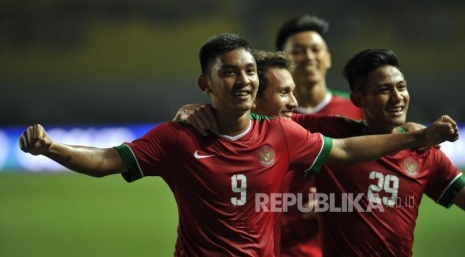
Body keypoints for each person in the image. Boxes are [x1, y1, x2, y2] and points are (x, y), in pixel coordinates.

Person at [19, 34, 459, 256]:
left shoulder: (284, 134)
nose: (243, 79)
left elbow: (344, 148)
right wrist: (51, 148)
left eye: (249, 71)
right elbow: (104, 160)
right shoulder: (179, 138)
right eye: (229, 72)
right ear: (205, 83)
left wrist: (419, 136)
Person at [175, 49, 464, 256]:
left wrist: (418, 137)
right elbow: (264, 111)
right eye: (384, 90)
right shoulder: (332, 132)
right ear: (358, 99)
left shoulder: (426, 152)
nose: (398, 97)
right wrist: (197, 108)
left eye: (401, 87)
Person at [276, 15, 362, 256]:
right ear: (282, 62)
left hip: (345, 239)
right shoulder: (267, 116)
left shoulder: (358, 112)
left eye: (316, 49)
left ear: (328, 58)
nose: (309, 57)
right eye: (299, 51)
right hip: (282, 242)